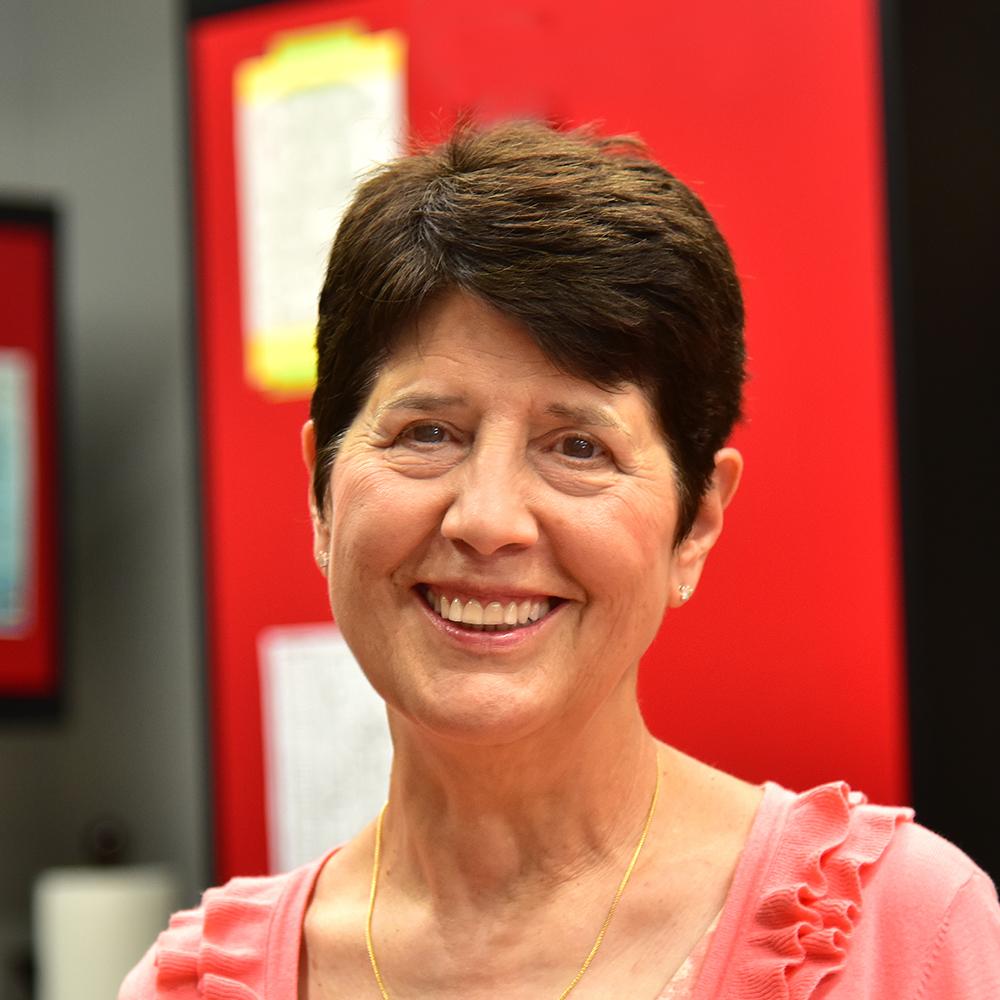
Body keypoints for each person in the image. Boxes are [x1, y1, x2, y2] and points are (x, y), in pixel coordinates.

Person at [121, 122, 1000, 1000]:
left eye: (578, 447)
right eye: (428, 433)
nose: (489, 520)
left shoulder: (906, 938)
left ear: (694, 523)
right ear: (321, 493)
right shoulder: (189, 987)